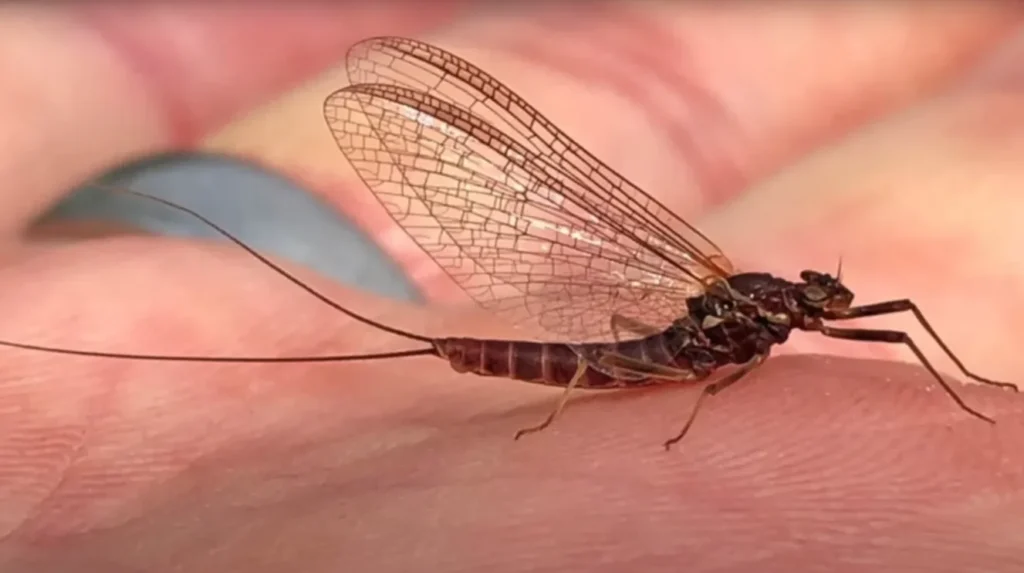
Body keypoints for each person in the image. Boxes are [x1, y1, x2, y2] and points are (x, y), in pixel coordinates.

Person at [2, 4, 1022, 572]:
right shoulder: (738, 314)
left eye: (821, 297)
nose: (829, 305)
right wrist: (689, 410)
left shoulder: (768, 314)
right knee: (615, 360)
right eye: (817, 298)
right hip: (612, 358)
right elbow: (709, 375)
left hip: (637, 351)